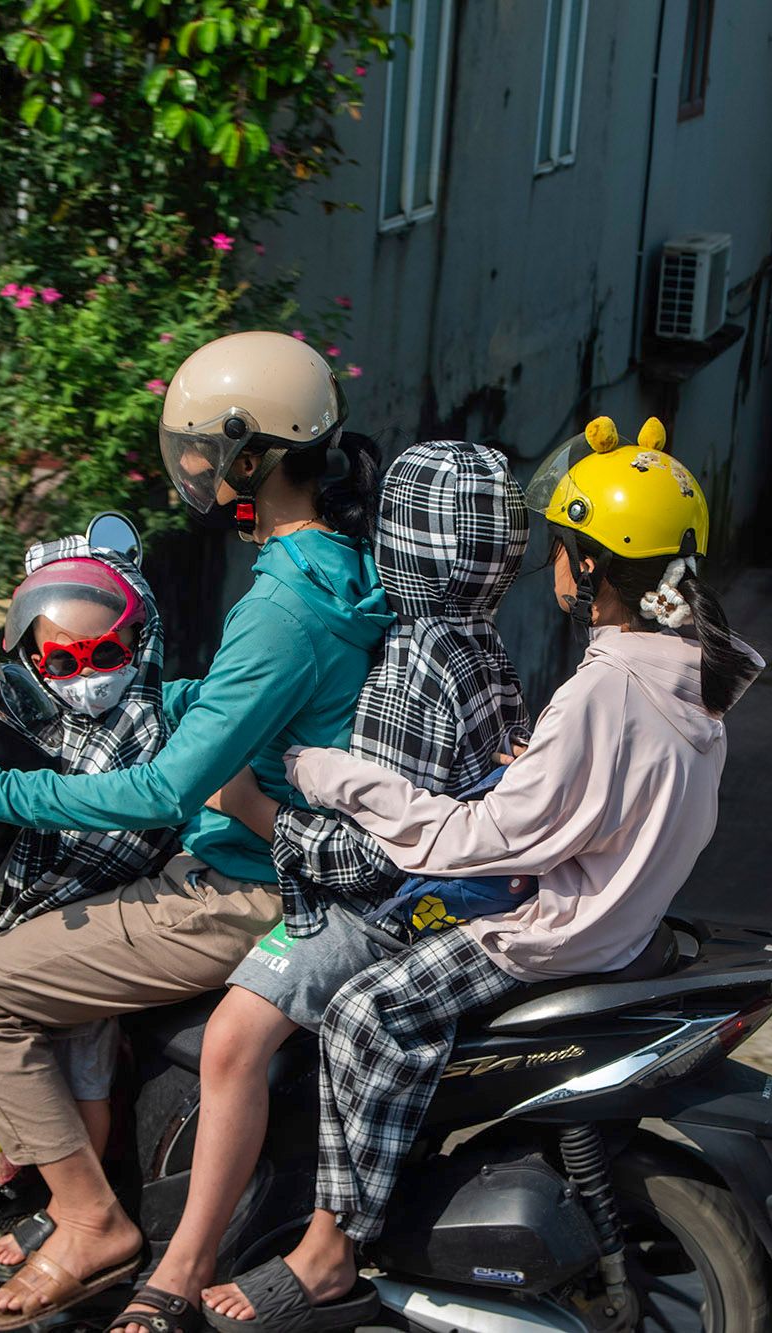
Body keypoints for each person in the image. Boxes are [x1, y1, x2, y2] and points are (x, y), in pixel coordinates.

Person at [199, 415, 766, 1333]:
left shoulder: (600, 686)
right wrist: (530, 764)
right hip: (624, 912)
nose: (544, 562)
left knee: (363, 1014)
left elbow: (475, 837)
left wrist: (322, 773)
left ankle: (330, 1248)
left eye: (561, 546)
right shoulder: (690, 671)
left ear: (589, 567)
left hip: (550, 929)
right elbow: (598, 791)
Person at [0, 332, 392, 1331]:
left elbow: (162, 790)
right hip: (284, 858)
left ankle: (87, 1220)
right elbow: (241, 709)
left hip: (243, 886)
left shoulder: (281, 602)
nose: (190, 470)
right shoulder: (334, 565)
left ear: (249, 458)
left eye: (199, 451)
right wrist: (146, 687)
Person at [108, 440, 533, 1333]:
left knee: (232, 1038)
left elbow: (370, 861)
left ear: (410, 541)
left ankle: (182, 1271)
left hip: (399, 911)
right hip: (470, 888)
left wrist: (256, 805)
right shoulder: (478, 643)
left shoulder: (411, 663)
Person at [0, 538, 178, 1269]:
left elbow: (106, 846)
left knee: (82, 1074)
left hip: (89, 925)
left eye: (104, 655)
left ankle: (76, 1212)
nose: (85, 677)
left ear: (137, 644)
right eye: (62, 661)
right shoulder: (54, 719)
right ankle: (50, 1202)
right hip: (47, 916)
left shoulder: (143, 729)